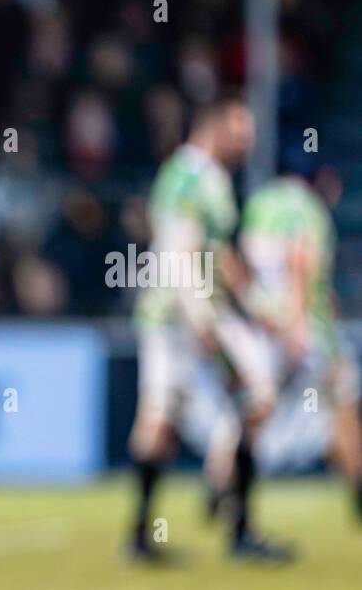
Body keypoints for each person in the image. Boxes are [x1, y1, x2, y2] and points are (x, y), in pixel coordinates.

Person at [127, 95, 291, 563]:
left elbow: (217, 254)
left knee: (231, 400)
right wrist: (202, 317)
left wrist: (257, 304)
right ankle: (233, 524)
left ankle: (176, 521)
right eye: (239, 131)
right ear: (214, 126)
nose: (245, 142)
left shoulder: (210, 179)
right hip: (180, 317)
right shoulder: (188, 176)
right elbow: (182, 255)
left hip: (192, 313)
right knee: (248, 394)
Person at [238, 168, 362, 515]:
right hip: (306, 329)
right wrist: (297, 321)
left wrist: (262, 312)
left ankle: (224, 485)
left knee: (255, 409)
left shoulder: (258, 205)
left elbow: (241, 265)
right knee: (344, 401)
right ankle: (358, 491)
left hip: (266, 325)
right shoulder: (309, 209)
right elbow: (300, 261)